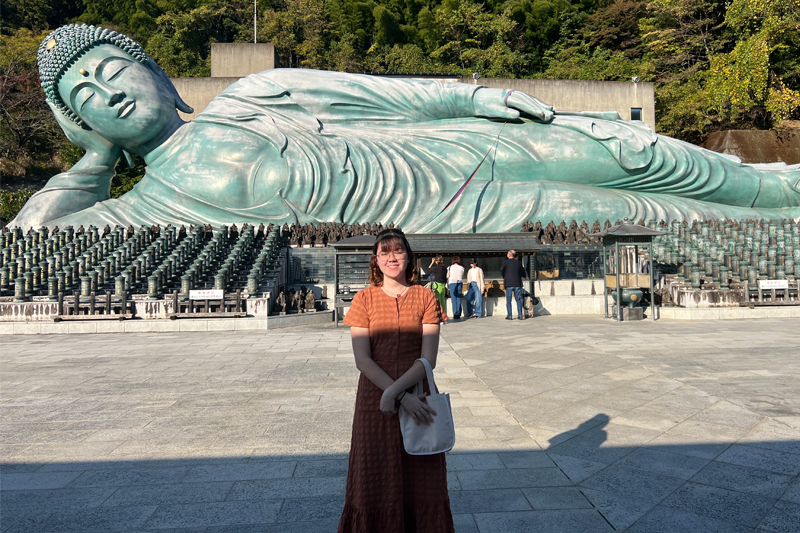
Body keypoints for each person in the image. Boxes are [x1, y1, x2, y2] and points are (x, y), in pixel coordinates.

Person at [12, 24, 799, 231]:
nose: (105, 93)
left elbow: (388, 97)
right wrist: (92, 163)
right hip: (464, 214)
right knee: (654, 214)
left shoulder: (259, 92)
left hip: (458, 148)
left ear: (155, 71)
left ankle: (780, 182)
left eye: (111, 70)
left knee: (629, 149)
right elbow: (34, 238)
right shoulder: (153, 205)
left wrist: (473, 97)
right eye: (83, 96)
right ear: (79, 123)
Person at [340, 229, 454, 532]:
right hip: (375, 399)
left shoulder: (426, 295)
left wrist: (398, 392)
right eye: (385, 252)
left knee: (422, 471)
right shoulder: (363, 299)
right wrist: (397, 396)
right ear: (375, 260)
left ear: (409, 256)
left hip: (418, 392)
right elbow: (362, 359)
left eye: (398, 251)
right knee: (374, 473)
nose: (392, 258)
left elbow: (428, 359)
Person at [501, 249, 527, 320]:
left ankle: (510, 316)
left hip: (509, 283)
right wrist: (524, 276)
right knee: (518, 299)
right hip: (517, 283)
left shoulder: (505, 263)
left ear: (509, 255)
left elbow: (502, 270)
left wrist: (504, 277)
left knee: (508, 300)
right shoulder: (518, 263)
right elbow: (522, 271)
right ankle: (520, 315)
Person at [427, 256, 448, 321]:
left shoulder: (436, 268)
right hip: (443, 285)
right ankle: (445, 317)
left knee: (438, 302)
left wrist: (431, 263)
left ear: (436, 261)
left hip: (437, 286)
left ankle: (440, 317)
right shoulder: (444, 269)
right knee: (443, 302)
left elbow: (428, 270)